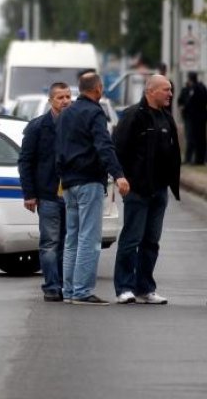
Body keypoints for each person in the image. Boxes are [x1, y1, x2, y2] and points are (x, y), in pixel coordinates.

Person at [56, 72, 130, 305]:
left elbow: (58, 147)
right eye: (101, 87)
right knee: (89, 238)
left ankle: (68, 290)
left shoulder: (66, 113)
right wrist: (118, 175)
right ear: (97, 88)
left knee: (72, 239)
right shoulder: (95, 112)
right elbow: (104, 146)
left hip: (69, 183)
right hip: (89, 181)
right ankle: (82, 292)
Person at [112, 75, 180, 304]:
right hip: (137, 190)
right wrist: (121, 178)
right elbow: (117, 149)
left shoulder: (166, 118)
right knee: (131, 239)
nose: (170, 94)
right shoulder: (133, 116)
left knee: (151, 241)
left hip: (159, 190)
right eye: (166, 90)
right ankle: (124, 287)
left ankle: (145, 287)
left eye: (170, 90)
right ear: (151, 91)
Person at [18, 82, 72, 302]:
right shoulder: (37, 127)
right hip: (48, 195)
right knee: (50, 243)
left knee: (68, 242)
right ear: (51, 101)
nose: (66, 101)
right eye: (60, 97)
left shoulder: (77, 125)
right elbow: (25, 161)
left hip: (72, 194)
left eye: (68, 96)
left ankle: (65, 285)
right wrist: (29, 194)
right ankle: (51, 286)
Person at [177, 71, 207, 164]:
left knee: (192, 138)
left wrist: (183, 108)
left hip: (193, 117)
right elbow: (181, 101)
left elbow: (187, 102)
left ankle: (195, 159)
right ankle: (198, 159)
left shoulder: (194, 89)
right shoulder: (196, 88)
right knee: (199, 138)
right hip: (198, 117)